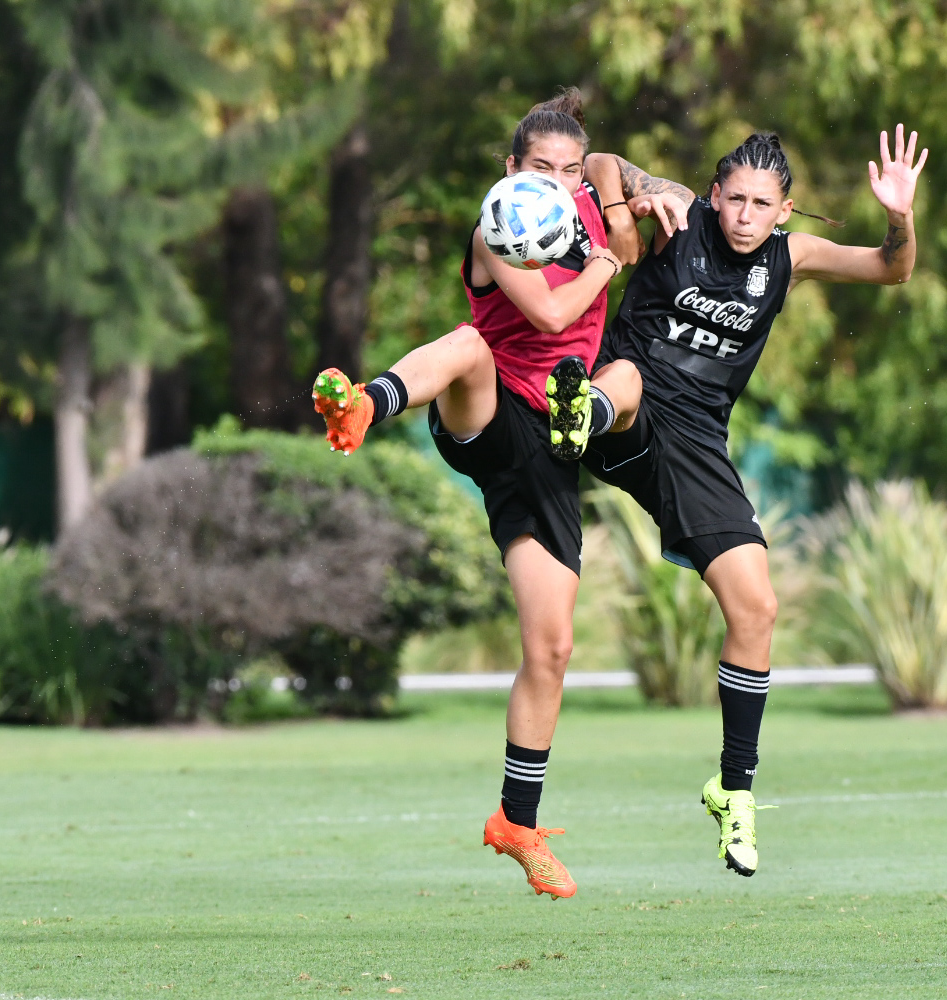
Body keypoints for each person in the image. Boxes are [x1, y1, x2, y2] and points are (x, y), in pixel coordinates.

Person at [312, 89, 643, 900]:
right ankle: (367, 404)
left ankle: (515, 823)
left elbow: (612, 179)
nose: (558, 183)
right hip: (489, 412)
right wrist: (614, 253)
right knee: (467, 342)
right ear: (510, 169)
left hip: (549, 453)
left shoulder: (589, 190)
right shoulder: (499, 229)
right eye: (541, 168)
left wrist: (638, 187)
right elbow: (557, 304)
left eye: (569, 171)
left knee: (552, 647)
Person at [584, 126, 929, 877]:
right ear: (714, 195)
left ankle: (733, 792)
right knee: (625, 384)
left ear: (786, 210)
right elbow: (600, 158)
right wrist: (625, 203)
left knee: (757, 608)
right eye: (733, 198)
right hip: (625, 408)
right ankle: (574, 415)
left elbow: (891, 269)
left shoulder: (790, 256)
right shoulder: (681, 213)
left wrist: (900, 217)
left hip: (698, 449)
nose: (744, 215)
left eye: (760, 204)